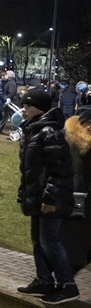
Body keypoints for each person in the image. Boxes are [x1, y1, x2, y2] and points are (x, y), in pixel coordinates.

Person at [15, 87, 79, 304]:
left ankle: (67, 284)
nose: (23, 110)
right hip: (37, 197)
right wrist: (25, 193)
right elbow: (30, 170)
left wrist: (49, 198)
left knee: (49, 240)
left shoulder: (49, 133)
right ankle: (44, 280)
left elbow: (60, 170)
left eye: (27, 105)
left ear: (39, 108)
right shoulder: (33, 130)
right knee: (37, 240)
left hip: (50, 199)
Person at [59, 105, 91, 276]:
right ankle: (65, 280)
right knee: (73, 243)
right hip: (77, 200)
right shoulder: (74, 142)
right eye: (88, 123)